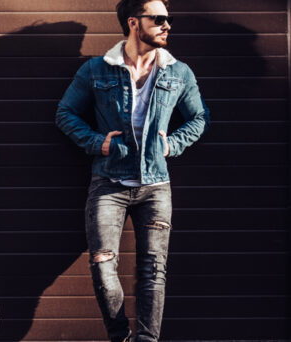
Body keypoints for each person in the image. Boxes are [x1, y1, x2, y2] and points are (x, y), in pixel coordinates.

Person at [54, 0, 209, 341]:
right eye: (159, 19)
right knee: (102, 264)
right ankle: (119, 335)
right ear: (134, 22)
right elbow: (65, 113)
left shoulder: (178, 72)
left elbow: (199, 118)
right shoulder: (96, 70)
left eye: (168, 19)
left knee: (153, 271)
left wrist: (173, 144)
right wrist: (99, 143)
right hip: (109, 183)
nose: (168, 25)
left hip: (156, 186)